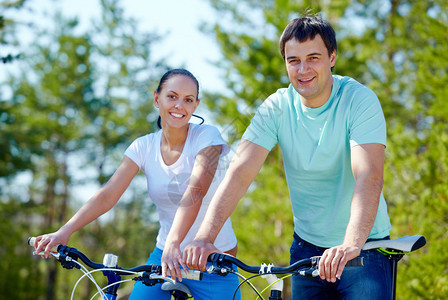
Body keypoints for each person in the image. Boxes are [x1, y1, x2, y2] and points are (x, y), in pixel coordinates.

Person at [183, 14, 393, 299]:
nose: (303, 69)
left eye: (313, 58)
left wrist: (350, 244)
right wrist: (204, 238)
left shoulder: (359, 100)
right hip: (307, 249)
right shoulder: (277, 107)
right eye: (293, 60)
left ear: (332, 57)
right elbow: (239, 173)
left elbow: (368, 175)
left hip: (364, 248)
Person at [33, 68, 240, 300]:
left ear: (196, 105)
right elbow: (108, 194)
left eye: (188, 100)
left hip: (212, 259)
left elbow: (196, 190)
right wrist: (65, 231)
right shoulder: (143, 147)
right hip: (166, 257)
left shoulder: (207, 137)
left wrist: (175, 241)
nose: (179, 105)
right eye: (172, 96)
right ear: (156, 99)